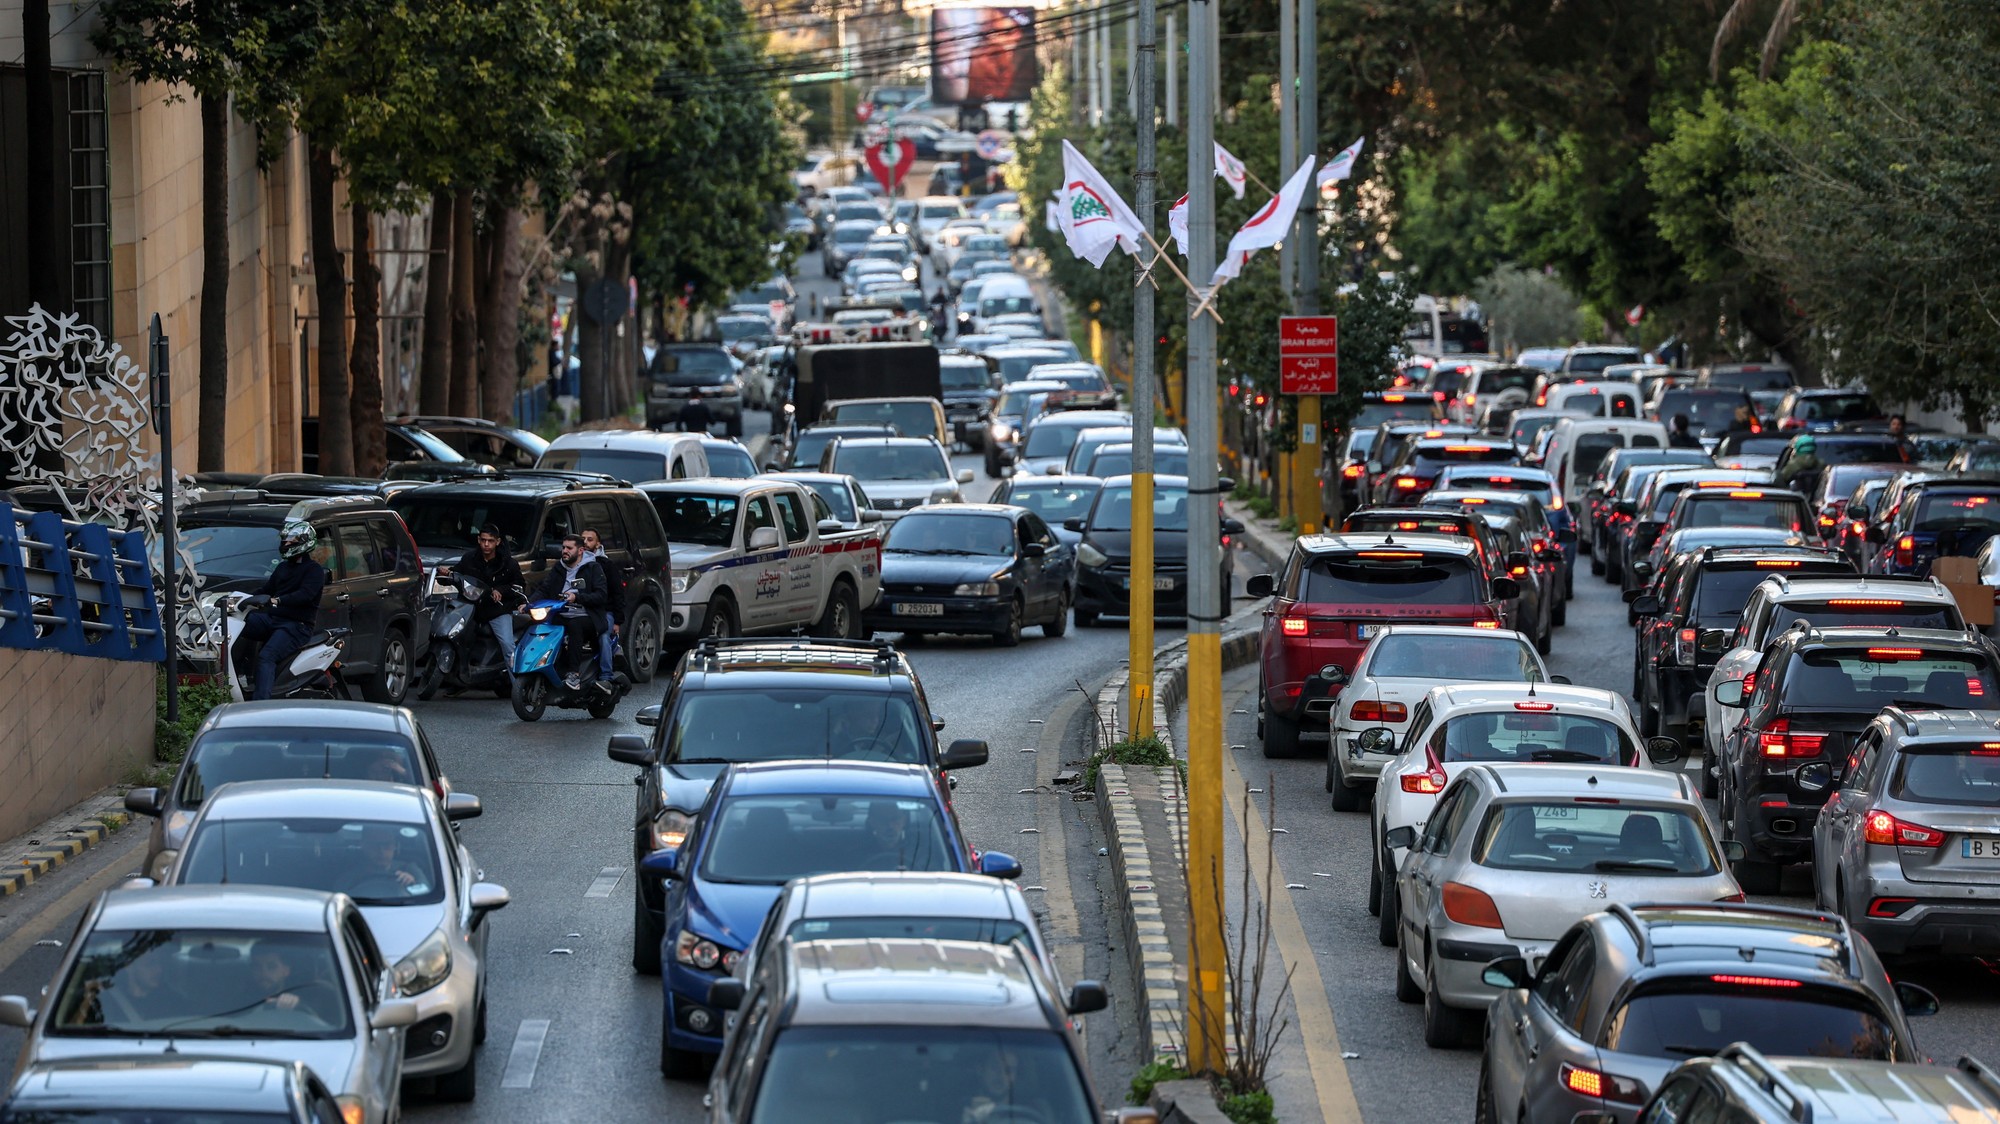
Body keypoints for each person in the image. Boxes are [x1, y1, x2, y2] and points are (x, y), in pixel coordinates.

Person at [235, 519, 328, 700]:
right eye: (284, 540)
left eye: (290, 541)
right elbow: (266, 590)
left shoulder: (314, 570)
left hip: (297, 625)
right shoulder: (283, 567)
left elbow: (305, 595)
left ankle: (260, 704)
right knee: (238, 625)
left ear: (303, 542)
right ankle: (241, 674)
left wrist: (278, 600)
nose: (285, 544)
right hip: (273, 620)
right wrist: (242, 598)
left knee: (267, 656)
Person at [533, 533, 610, 688]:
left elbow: (601, 596)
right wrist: (528, 603)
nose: (565, 551)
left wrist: (577, 597)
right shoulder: (558, 567)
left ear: (580, 550)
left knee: (575, 624)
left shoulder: (593, 567)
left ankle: (574, 674)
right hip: (560, 612)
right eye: (563, 548)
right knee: (540, 625)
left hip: (588, 616)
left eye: (569, 548)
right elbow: (544, 588)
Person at [455, 523, 524, 663]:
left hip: (497, 610)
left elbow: (519, 585)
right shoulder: (469, 558)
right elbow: (457, 574)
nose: (486, 544)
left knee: (507, 645)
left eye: (490, 541)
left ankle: (518, 683)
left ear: (497, 542)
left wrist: (501, 590)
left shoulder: (508, 563)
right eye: (483, 540)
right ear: (478, 540)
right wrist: (446, 574)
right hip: (471, 608)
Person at [580, 527, 623, 683]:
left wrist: (617, 621)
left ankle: (606, 675)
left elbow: (617, 593)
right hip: (581, 611)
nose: (585, 542)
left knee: (603, 635)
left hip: (604, 612)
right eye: (583, 539)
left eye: (589, 539)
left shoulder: (606, 565)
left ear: (598, 544)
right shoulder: (572, 563)